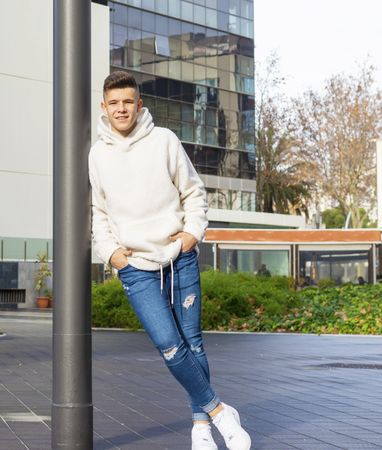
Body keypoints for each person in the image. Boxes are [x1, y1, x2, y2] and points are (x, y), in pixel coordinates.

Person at [89, 71, 252, 450]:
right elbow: (98, 211)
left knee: (193, 345)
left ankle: (200, 428)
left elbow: (193, 192)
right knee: (168, 345)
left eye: (128, 101)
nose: (121, 109)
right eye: (114, 103)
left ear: (139, 104)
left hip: (178, 258)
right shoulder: (98, 154)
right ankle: (220, 412)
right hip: (135, 267)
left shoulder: (164, 141)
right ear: (104, 107)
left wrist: (192, 233)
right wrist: (111, 254)